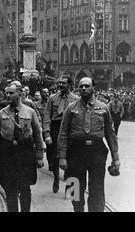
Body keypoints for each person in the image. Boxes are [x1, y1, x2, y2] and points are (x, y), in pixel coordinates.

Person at [58, 77, 120, 212]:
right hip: (75, 151)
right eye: (81, 86)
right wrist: (62, 157)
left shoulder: (103, 108)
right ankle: (77, 209)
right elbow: (63, 132)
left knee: (97, 189)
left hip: (96, 151)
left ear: (93, 88)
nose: (84, 89)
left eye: (87, 86)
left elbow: (110, 133)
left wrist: (116, 158)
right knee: (74, 186)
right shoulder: (71, 108)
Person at [0, 83, 44, 212]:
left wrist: (40, 156)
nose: (8, 95)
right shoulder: (1, 113)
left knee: (25, 187)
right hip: (7, 153)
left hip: (25, 153)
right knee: (10, 188)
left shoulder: (29, 111)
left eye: (11, 93)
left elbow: (37, 134)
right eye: (6, 93)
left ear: (19, 93)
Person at [43, 75, 79, 193]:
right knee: (55, 157)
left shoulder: (75, 99)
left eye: (63, 83)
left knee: (71, 157)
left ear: (69, 85)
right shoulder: (52, 98)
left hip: (70, 129)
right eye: (59, 83)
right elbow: (47, 116)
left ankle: (70, 185)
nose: (60, 85)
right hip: (56, 128)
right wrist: (47, 133)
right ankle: (56, 178)